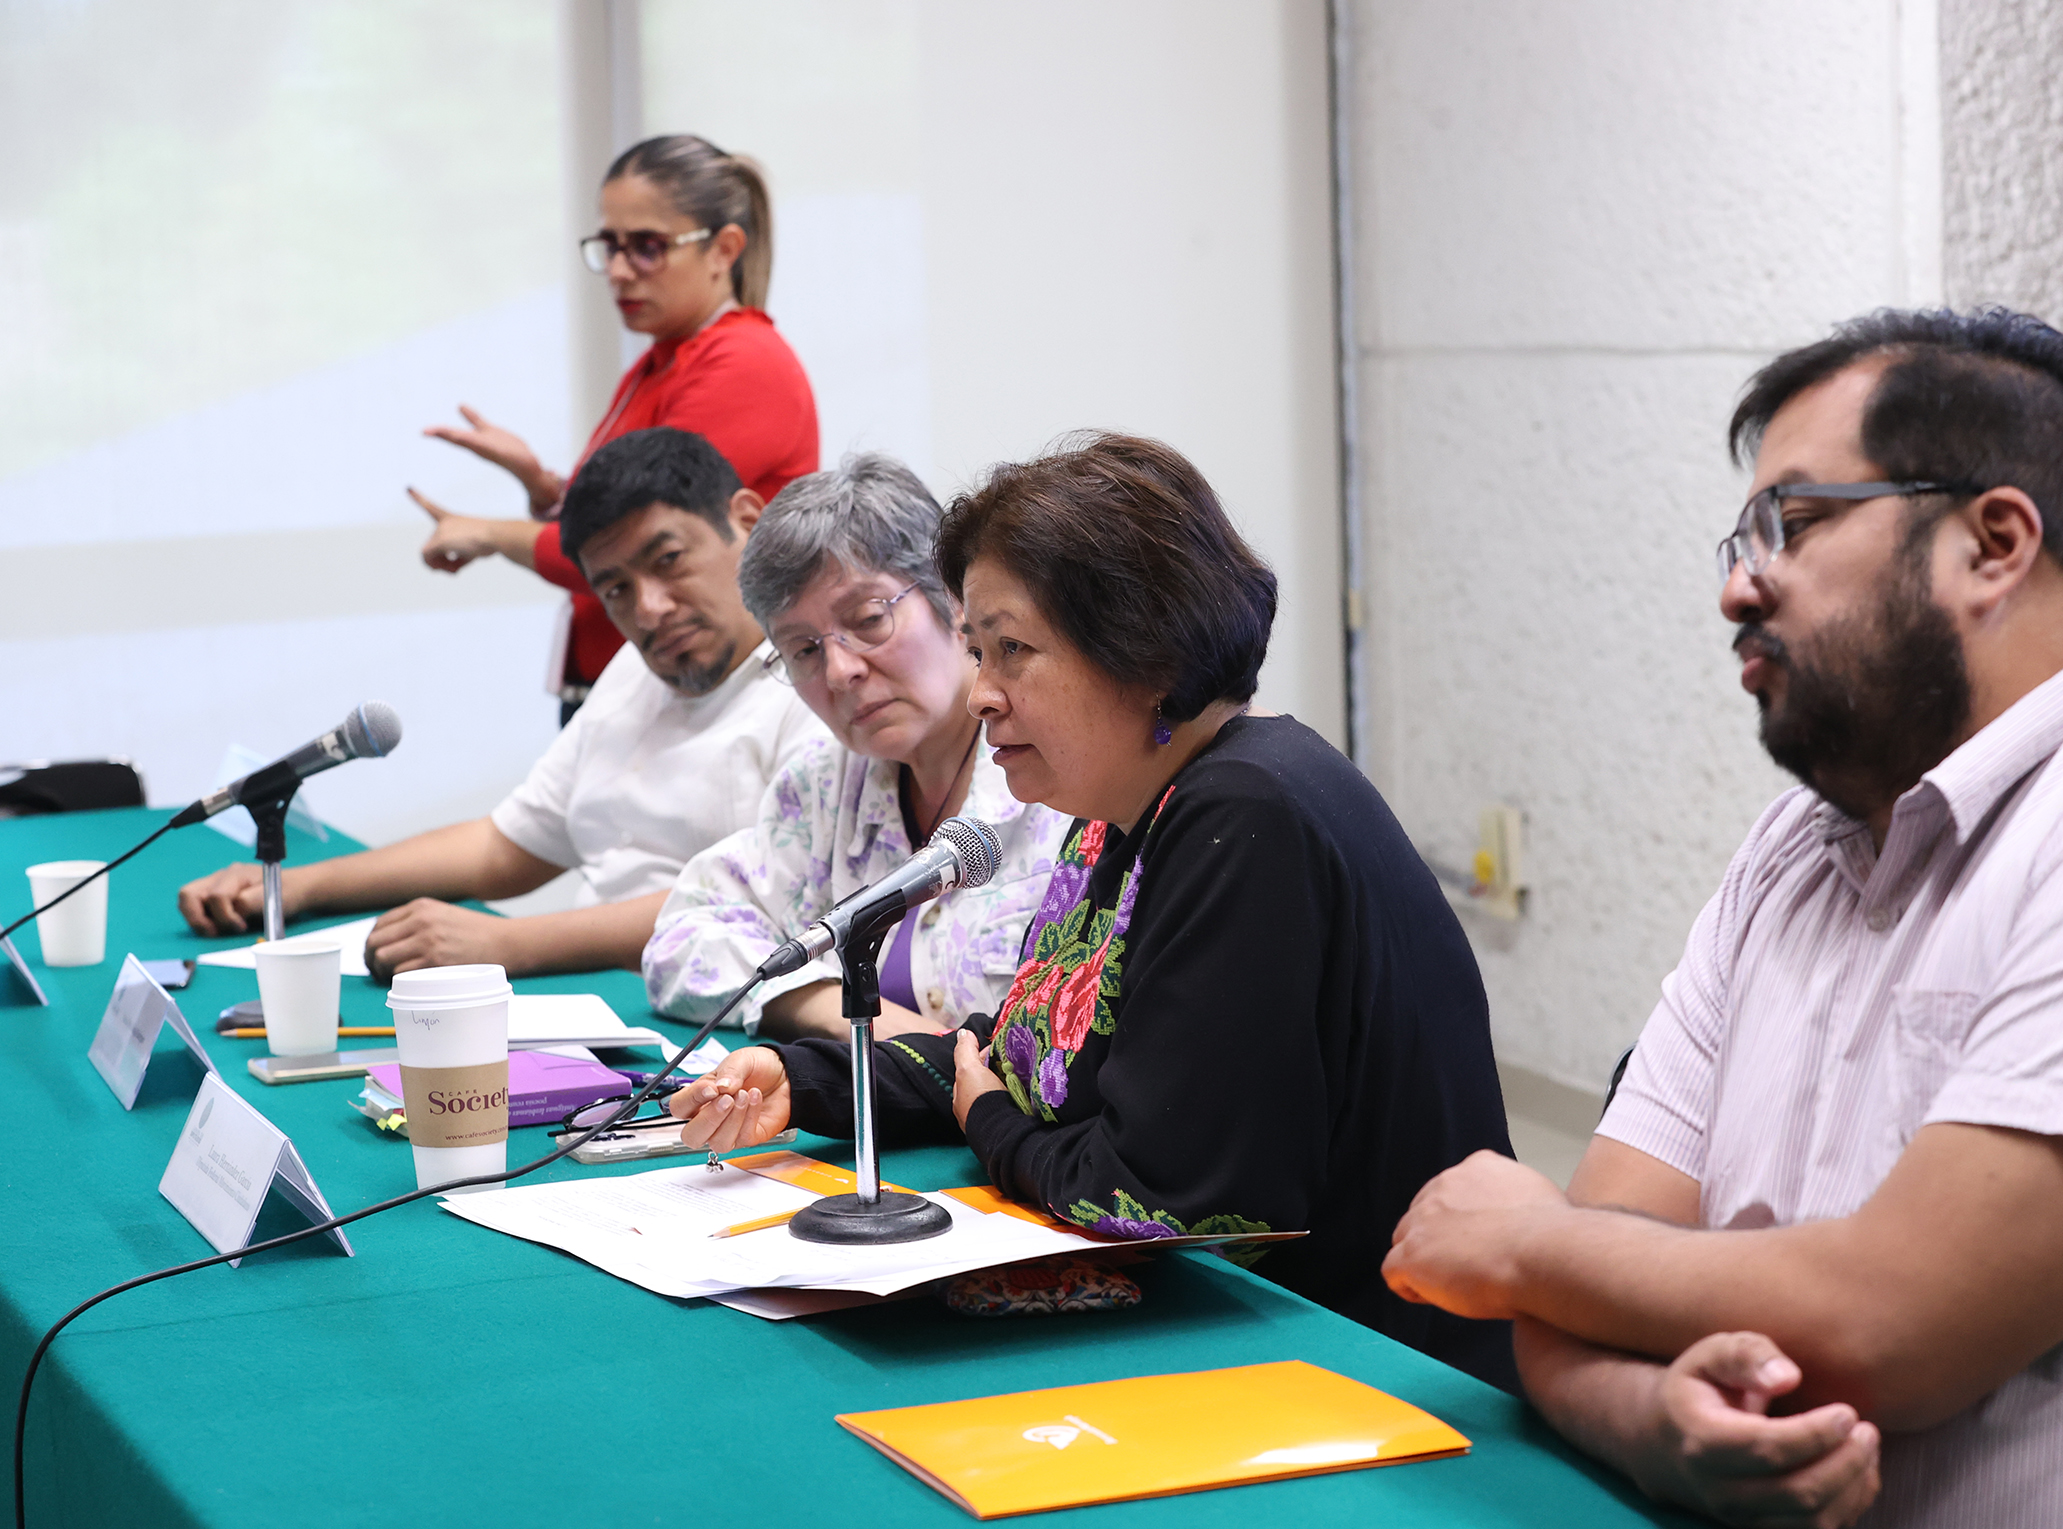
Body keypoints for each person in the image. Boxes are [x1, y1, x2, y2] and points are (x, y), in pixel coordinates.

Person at [1381, 308, 2063, 1529]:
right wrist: (1648, 1419)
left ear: (1991, 545)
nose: (1738, 587)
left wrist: (1523, 1237)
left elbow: (1893, 1324)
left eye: (1791, 524)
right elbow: (1582, 1287)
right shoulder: (1796, 847)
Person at [668, 434, 1518, 1388]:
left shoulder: (1246, 814)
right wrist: (809, 1080)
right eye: (977, 650)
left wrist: (993, 1128)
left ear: (1142, 645)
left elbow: (1155, 1192)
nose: (982, 694)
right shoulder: (1126, 809)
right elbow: (1020, 1054)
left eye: (1013, 651)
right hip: (1238, 1340)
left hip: (1371, 1370)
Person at [178, 428, 823, 978]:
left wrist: (508, 944)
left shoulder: (820, 688)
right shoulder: (635, 668)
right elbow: (504, 847)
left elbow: (759, 899)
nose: (649, 609)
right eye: (616, 590)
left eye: (669, 560)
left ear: (747, 519)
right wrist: (297, 887)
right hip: (605, 995)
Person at [644, 454, 1068, 1042]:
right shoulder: (823, 784)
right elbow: (683, 937)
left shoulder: (1063, 771)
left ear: (954, 601)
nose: (840, 671)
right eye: (804, 650)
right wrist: (831, 1006)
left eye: (869, 619)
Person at [407, 134, 820, 724]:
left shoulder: (743, 363)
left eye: (648, 247)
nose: (620, 271)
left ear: (724, 249)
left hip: (704, 694)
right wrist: (545, 488)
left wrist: (493, 533)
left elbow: (626, 545)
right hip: (642, 690)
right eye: (611, 246)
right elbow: (609, 523)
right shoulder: (659, 362)